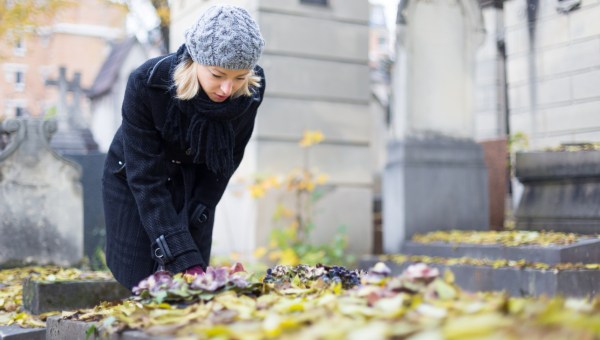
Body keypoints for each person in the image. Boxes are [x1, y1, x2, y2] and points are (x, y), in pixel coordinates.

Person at [102, 4, 266, 290]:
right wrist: (178, 252)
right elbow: (146, 180)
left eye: (239, 77)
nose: (228, 89)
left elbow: (228, 159)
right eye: (217, 75)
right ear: (195, 60)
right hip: (136, 174)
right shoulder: (146, 82)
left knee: (193, 277)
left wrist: (198, 213)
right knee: (140, 276)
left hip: (197, 176)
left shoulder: (250, 90)